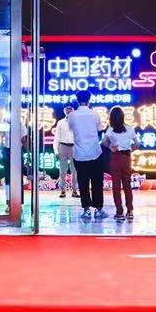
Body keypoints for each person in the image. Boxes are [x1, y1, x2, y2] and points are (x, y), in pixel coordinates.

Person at [66, 89, 106, 218]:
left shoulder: (72, 115)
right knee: (97, 182)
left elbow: (71, 129)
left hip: (79, 154)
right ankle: (98, 209)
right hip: (95, 152)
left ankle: (86, 210)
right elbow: (100, 129)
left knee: (83, 182)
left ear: (77, 100)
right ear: (89, 100)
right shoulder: (94, 114)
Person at [102, 106, 136, 220]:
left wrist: (111, 148)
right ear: (123, 116)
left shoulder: (111, 129)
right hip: (126, 158)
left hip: (115, 157)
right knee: (127, 185)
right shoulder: (130, 128)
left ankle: (119, 212)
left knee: (116, 186)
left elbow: (103, 142)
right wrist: (129, 149)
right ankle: (130, 211)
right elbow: (137, 144)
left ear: (111, 117)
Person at [52, 103, 78, 199]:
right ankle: (62, 191)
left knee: (75, 171)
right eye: (67, 109)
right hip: (62, 146)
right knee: (62, 170)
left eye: (70, 109)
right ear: (64, 111)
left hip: (74, 147)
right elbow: (57, 137)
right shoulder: (61, 122)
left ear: (73, 110)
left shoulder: (77, 122)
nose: (69, 110)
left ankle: (75, 191)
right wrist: (56, 150)